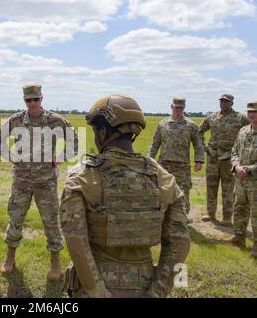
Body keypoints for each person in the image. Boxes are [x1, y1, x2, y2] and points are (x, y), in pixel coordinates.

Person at [60, 95, 190, 298]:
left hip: (92, 285)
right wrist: (157, 292)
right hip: (145, 283)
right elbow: (180, 243)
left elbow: (76, 240)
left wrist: (97, 292)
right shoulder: (165, 179)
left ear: (102, 133)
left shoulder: (82, 178)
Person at [0, 83, 78, 281]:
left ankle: (55, 263)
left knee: (51, 223)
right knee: (15, 219)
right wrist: (10, 156)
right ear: (24, 100)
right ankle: (9, 259)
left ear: (42, 98)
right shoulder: (15, 121)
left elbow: (73, 142)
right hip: (21, 181)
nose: (33, 103)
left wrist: (60, 157)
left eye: (36, 99)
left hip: (46, 182)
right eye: (28, 100)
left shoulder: (55, 121)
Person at [199, 94, 249, 225]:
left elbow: (250, 131)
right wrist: (204, 147)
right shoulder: (212, 117)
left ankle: (227, 217)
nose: (223, 104)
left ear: (232, 103)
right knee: (211, 186)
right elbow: (199, 132)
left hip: (229, 159)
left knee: (228, 189)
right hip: (213, 157)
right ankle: (210, 213)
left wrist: (241, 151)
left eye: (226, 102)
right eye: (222, 101)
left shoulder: (240, 118)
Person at [149, 98, 204, 216]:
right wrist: (150, 160)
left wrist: (199, 161)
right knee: (162, 190)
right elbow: (155, 144)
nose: (178, 109)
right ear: (171, 107)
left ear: (184, 108)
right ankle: (162, 216)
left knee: (183, 191)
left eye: (181, 107)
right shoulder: (162, 124)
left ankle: (183, 217)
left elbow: (198, 144)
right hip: (164, 165)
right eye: (176, 107)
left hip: (182, 166)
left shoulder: (191, 125)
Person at [227, 100, 257, 258]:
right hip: (240, 178)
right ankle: (239, 237)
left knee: (256, 212)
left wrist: (249, 170)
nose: (251, 114)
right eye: (249, 112)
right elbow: (234, 151)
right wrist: (237, 166)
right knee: (239, 206)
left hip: (254, 180)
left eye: (254, 112)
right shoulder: (243, 131)